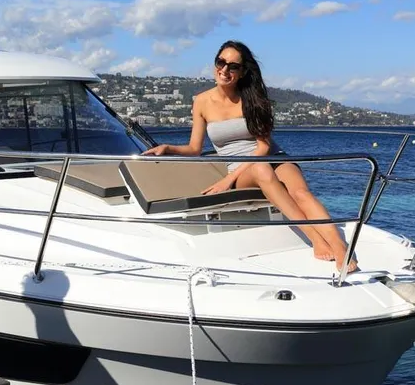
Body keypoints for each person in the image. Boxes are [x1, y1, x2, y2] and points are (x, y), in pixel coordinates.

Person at [143, 40, 357, 272]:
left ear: (243, 72)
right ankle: (315, 239)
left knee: (300, 192)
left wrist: (227, 181)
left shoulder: (253, 100)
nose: (225, 70)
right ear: (215, 64)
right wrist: (168, 148)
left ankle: (339, 247)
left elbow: (264, 148)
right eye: (221, 62)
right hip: (242, 168)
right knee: (262, 170)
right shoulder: (201, 101)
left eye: (233, 66)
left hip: (271, 156)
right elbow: (194, 148)